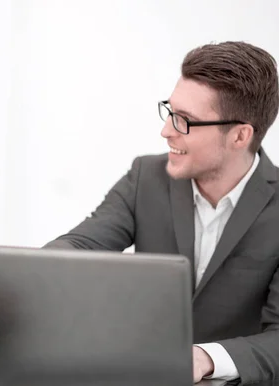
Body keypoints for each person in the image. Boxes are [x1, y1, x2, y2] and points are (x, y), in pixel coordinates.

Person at [45, 41, 279, 384]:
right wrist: (40, 273)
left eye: (185, 121)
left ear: (240, 135)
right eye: (170, 111)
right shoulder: (146, 178)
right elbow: (79, 246)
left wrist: (205, 358)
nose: (166, 130)